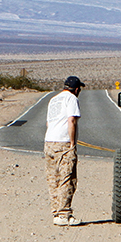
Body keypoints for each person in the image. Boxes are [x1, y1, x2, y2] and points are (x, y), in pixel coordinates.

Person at [44, 76, 85, 226]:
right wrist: (72, 142)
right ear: (76, 89)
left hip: (49, 142)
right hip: (63, 142)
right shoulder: (71, 99)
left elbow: (49, 123)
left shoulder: (53, 99)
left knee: (53, 178)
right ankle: (64, 213)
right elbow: (71, 120)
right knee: (67, 178)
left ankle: (56, 212)